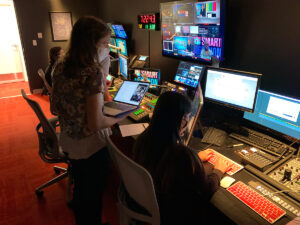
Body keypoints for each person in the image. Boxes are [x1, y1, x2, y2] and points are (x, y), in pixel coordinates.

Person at [52, 16, 130, 225]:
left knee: (81, 191)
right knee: (93, 198)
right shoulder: (91, 72)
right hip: (91, 147)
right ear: (91, 43)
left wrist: (102, 67)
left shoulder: (60, 65)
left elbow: (54, 107)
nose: (107, 48)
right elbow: (96, 124)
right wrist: (120, 115)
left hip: (69, 141)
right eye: (105, 43)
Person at [133, 91, 233, 225]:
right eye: (186, 117)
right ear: (181, 121)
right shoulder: (182, 156)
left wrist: (195, 157)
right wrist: (219, 171)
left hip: (146, 206)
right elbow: (206, 188)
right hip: (171, 215)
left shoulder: (143, 139)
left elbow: (165, 160)